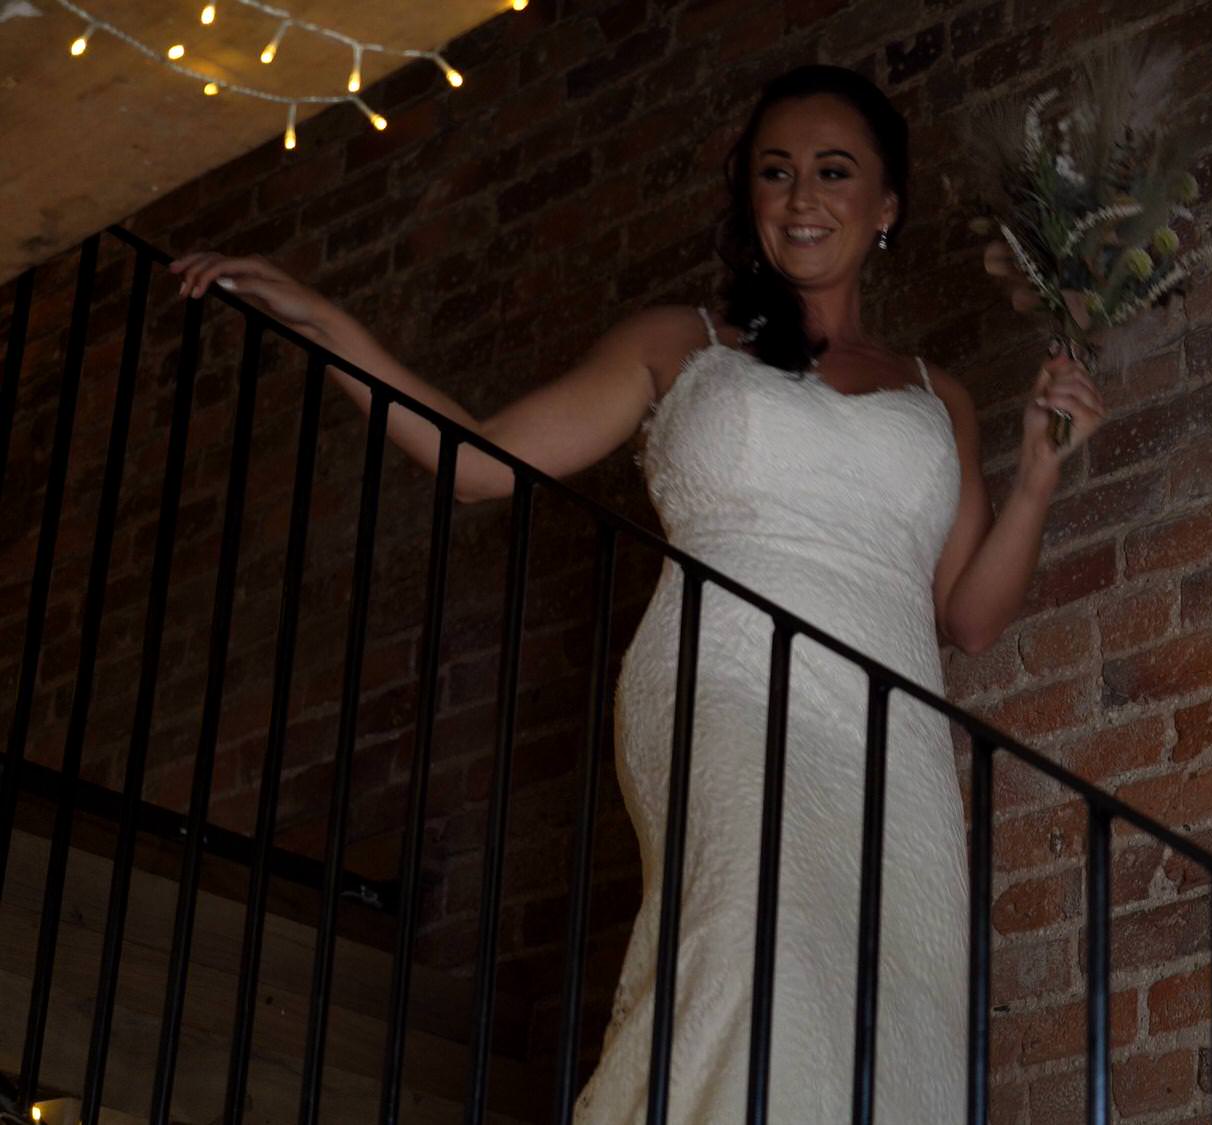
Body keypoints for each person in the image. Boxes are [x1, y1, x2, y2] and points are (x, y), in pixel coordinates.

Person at [170, 64, 1105, 1122]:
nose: (802, 198)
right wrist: (315, 315)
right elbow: (479, 464)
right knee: (756, 959)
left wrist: (1035, 475)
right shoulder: (682, 345)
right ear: (749, 199)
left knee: (892, 1008)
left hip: (893, 734)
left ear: (885, 206)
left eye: (832, 172)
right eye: (775, 172)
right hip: (730, 683)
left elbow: (967, 617)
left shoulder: (942, 396)